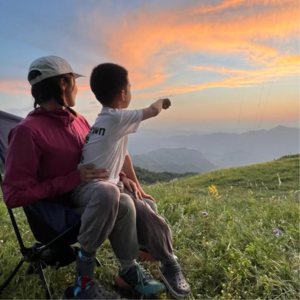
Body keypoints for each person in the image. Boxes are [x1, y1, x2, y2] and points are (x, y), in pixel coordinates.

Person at [2, 56, 150, 300]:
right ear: (63, 83)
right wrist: (73, 179)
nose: (77, 88)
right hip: (56, 217)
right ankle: (84, 285)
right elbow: (13, 195)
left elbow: (95, 155)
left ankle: (129, 271)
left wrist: (122, 175)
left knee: (123, 200)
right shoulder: (27, 132)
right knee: (109, 193)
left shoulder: (78, 120)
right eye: (73, 81)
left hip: (88, 200)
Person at [73, 63, 190, 299]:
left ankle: (162, 260)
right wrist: (162, 101)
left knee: (145, 204)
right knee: (138, 207)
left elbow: (123, 154)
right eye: (130, 86)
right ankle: (166, 262)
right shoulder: (116, 118)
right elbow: (153, 111)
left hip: (104, 186)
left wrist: (138, 186)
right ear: (123, 94)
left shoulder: (104, 121)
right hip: (93, 190)